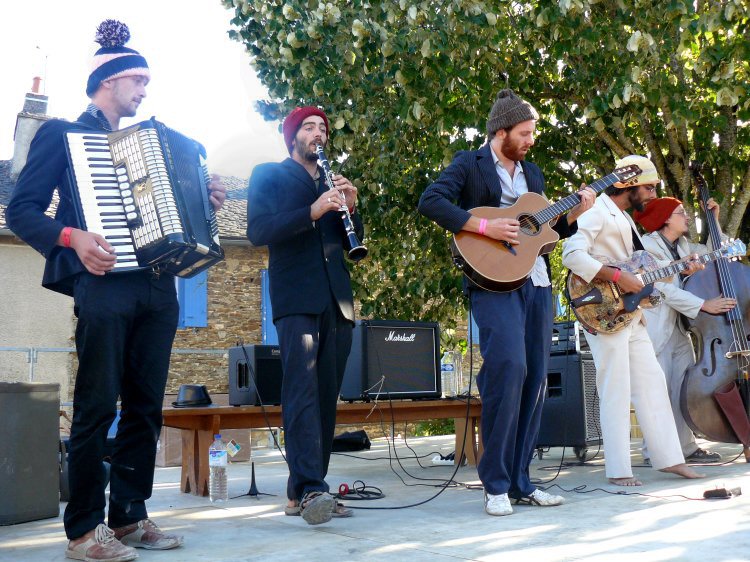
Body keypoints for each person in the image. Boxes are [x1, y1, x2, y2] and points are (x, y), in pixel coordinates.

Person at [6, 20, 226, 562]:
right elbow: (22, 211)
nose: (145, 90)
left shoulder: (152, 141)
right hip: (104, 286)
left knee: (146, 409)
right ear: (109, 80)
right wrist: (72, 236)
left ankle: (128, 515)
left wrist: (206, 200)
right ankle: (83, 531)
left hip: (157, 287)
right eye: (138, 80)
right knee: (97, 406)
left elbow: (174, 210)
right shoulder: (63, 135)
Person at [418, 89, 595, 516]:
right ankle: (494, 484)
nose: (532, 140)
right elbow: (431, 201)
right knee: (508, 368)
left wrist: (573, 214)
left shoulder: (532, 173)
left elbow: (544, 233)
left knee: (535, 380)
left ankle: (520, 482)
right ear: (501, 132)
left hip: (536, 282)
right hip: (492, 283)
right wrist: (485, 227)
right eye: (525, 133)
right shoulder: (469, 163)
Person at [246, 106, 364, 525]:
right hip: (296, 297)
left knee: (327, 397)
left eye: (323, 129)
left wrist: (351, 208)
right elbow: (258, 231)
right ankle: (312, 487)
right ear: (293, 136)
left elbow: (352, 243)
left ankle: (306, 492)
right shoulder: (269, 175)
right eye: (309, 127)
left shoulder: (333, 182)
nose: (318, 134)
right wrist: (312, 211)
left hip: (337, 300)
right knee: (302, 393)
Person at [561, 155, 705, 486]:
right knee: (616, 388)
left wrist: (680, 267)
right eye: (650, 188)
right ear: (630, 185)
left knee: (652, 384)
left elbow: (638, 271)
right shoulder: (596, 211)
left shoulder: (623, 217)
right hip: (604, 312)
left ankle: (670, 459)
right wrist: (615, 276)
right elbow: (571, 255)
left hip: (630, 313)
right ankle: (618, 469)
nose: (653, 195)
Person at [633, 197, 734, 464]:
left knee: (682, 390)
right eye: (681, 212)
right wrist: (703, 304)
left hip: (680, 327)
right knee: (658, 391)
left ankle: (686, 448)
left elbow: (718, 252)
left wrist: (714, 219)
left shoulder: (684, 246)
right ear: (666, 218)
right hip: (656, 326)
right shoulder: (646, 246)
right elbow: (660, 288)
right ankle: (655, 451)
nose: (687, 216)